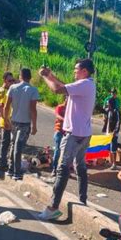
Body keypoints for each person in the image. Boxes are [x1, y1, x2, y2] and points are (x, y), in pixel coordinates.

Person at [37, 58, 96, 220]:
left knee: (63, 168)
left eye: (76, 69)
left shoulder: (84, 84)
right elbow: (65, 86)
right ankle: (82, 199)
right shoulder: (87, 84)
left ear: (85, 71)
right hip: (84, 133)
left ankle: (53, 207)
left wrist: (45, 77)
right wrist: (51, 74)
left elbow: (58, 89)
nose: (74, 72)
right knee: (80, 166)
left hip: (74, 134)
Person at [3, 68, 39, 180]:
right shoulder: (33, 90)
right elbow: (33, 109)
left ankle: (10, 169)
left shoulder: (13, 88)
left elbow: (6, 106)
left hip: (13, 121)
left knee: (14, 145)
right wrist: (34, 126)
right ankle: (16, 172)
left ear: (20, 76)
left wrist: (6, 120)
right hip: (25, 123)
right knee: (18, 147)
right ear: (30, 77)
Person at [0, 72, 15, 170]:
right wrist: (6, 121)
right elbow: (1, 108)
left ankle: (6, 163)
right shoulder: (3, 91)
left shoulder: (8, 90)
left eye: (13, 80)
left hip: (10, 120)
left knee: (9, 143)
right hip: (6, 121)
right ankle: (2, 164)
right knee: (5, 143)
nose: (12, 82)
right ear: (4, 81)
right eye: (10, 80)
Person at [102, 98, 121, 170]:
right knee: (108, 147)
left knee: (113, 148)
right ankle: (110, 162)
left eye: (108, 104)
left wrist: (115, 131)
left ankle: (114, 164)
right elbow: (102, 110)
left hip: (113, 132)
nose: (107, 105)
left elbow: (118, 122)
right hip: (108, 131)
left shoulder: (116, 111)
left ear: (112, 104)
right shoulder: (108, 111)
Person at [51, 96, 67, 177]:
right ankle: (54, 169)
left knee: (66, 153)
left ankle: (63, 170)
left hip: (67, 133)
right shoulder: (60, 107)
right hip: (59, 131)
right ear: (65, 99)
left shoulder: (71, 109)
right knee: (57, 150)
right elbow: (57, 115)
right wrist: (65, 120)